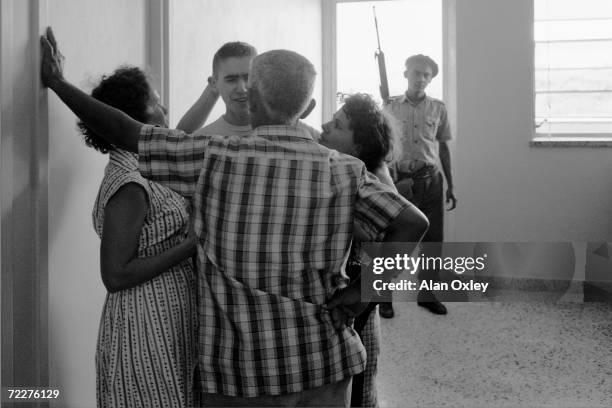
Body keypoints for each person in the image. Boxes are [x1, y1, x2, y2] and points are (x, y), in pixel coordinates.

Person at [41, 28, 429, 407]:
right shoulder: (345, 170)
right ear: (306, 106)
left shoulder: (215, 156)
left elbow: (128, 132)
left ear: (254, 99)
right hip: (324, 360)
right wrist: (360, 295)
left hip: (240, 371)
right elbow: (412, 223)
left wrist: (58, 84)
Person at [79, 66, 198, 407]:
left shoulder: (149, 165)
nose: (165, 111)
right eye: (156, 103)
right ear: (131, 116)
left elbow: (182, 134)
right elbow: (115, 275)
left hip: (167, 315)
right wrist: (189, 245)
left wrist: (212, 91)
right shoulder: (130, 182)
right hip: (145, 322)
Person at [320, 93, 400, 408]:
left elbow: (386, 249)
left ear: (359, 146)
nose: (325, 126)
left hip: (360, 293)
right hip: (359, 289)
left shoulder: (374, 182)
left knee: (361, 380)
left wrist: (364, 290)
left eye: (337, 125)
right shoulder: (356, 167)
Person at [382, 54, 457, 317]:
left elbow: (443, 147)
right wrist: (388, 181)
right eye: (416, 72)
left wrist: (451, 185)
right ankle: (383, 297)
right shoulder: (389, 107)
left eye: (427, 74)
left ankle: (427, 294)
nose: (421, 78)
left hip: (432, 180)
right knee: (394, 241)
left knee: (433, 240)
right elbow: (382, 148)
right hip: (401, 182)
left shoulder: (438, 108)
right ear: (405, 74)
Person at [177, 41, 256, 136]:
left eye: (249, 77)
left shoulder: (276, 135)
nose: (242, 89)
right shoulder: (203, 139)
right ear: (214, 83)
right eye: (231, 80)